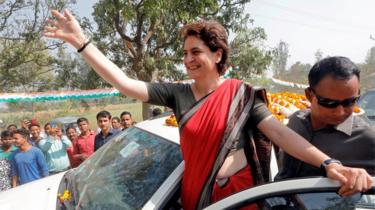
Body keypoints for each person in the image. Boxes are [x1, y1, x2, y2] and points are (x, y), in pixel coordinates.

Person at [44, 10, 372, 209]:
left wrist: (329, 163)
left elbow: (281, 135)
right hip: (194, 199)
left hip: (238, 202)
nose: (187, 59)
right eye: (184, 52)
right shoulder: (178, 95)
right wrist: (82, 43)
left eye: (196, 51)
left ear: (217, 55)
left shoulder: (242, 95)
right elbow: (126, 84)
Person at [275, 57, 375, 180]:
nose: (340, 112)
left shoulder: (366, 138)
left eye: (349, 102)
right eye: (329, 103)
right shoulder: (297, 121)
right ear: (309, 95)